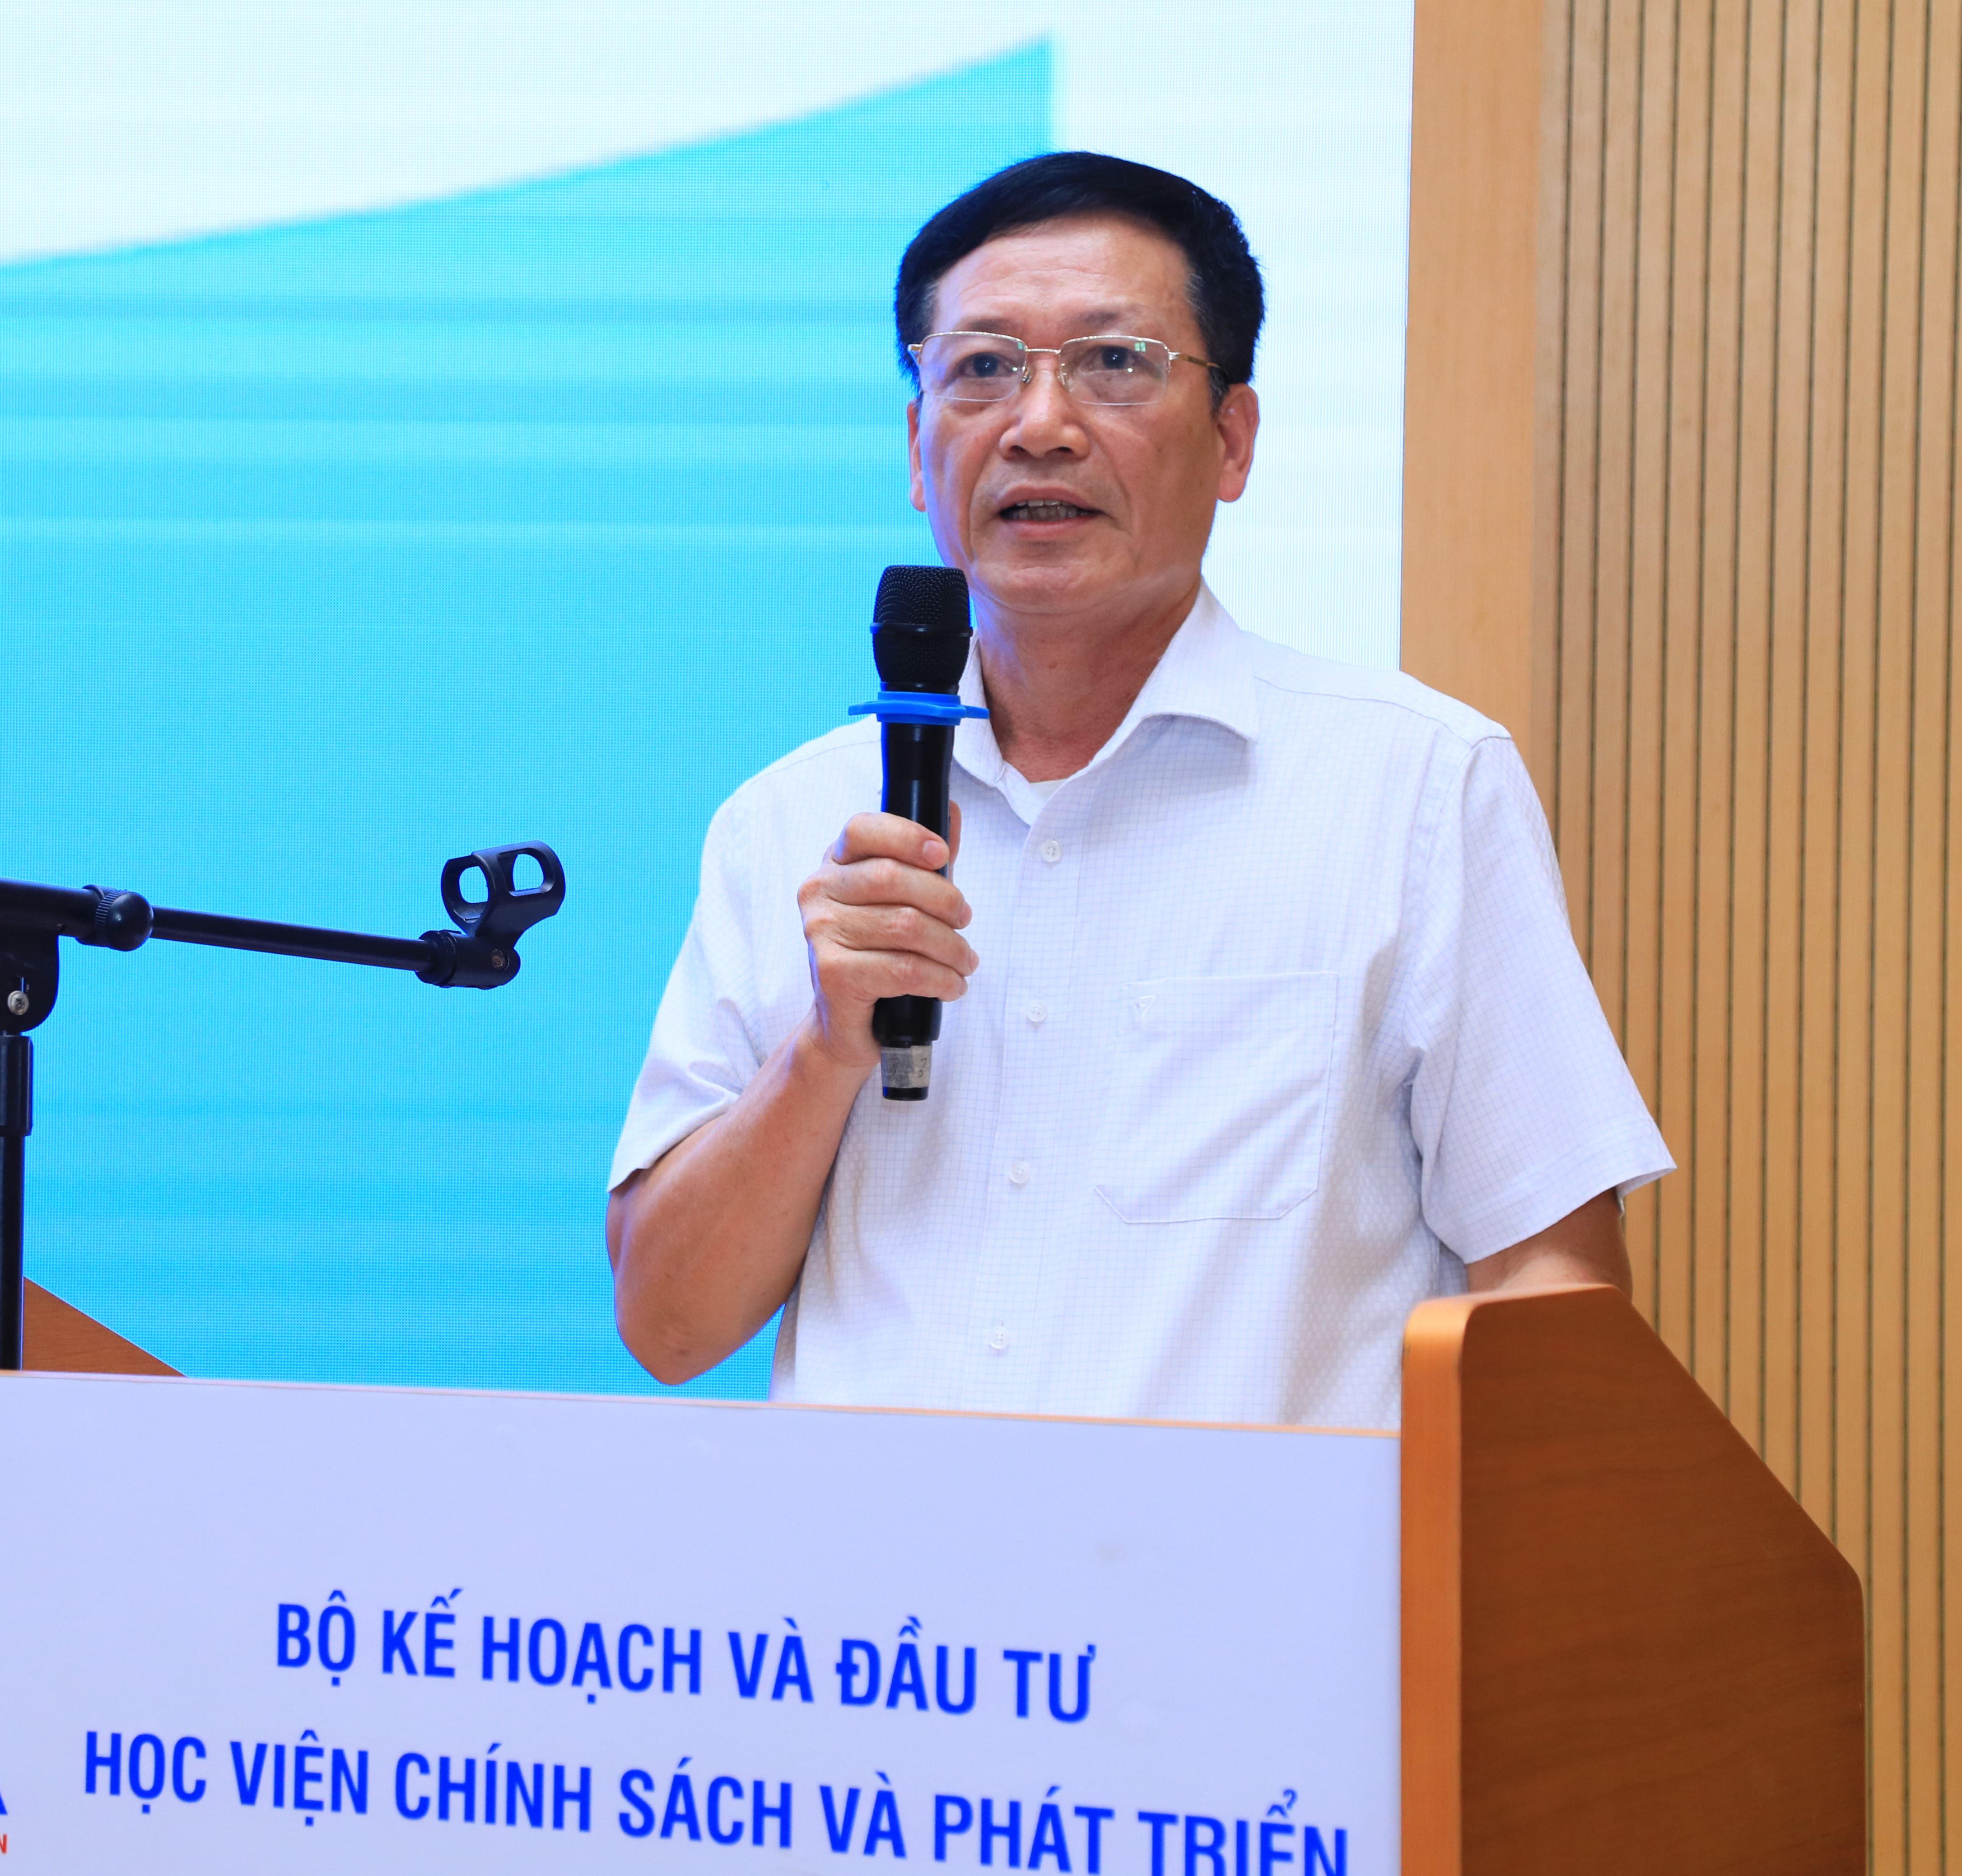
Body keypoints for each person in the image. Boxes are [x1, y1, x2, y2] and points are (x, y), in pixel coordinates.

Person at [604, 152, 1672, 1428]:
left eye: (1114, 362)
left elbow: (1554, 1288)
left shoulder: (1415, 789)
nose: (1038, 424)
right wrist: (827, 1048)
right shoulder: (789, 823)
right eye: (983, 368)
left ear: (1233, 441)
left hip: (1252, 1566)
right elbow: (669, 1323)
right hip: (870, 1564)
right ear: (918, 448)